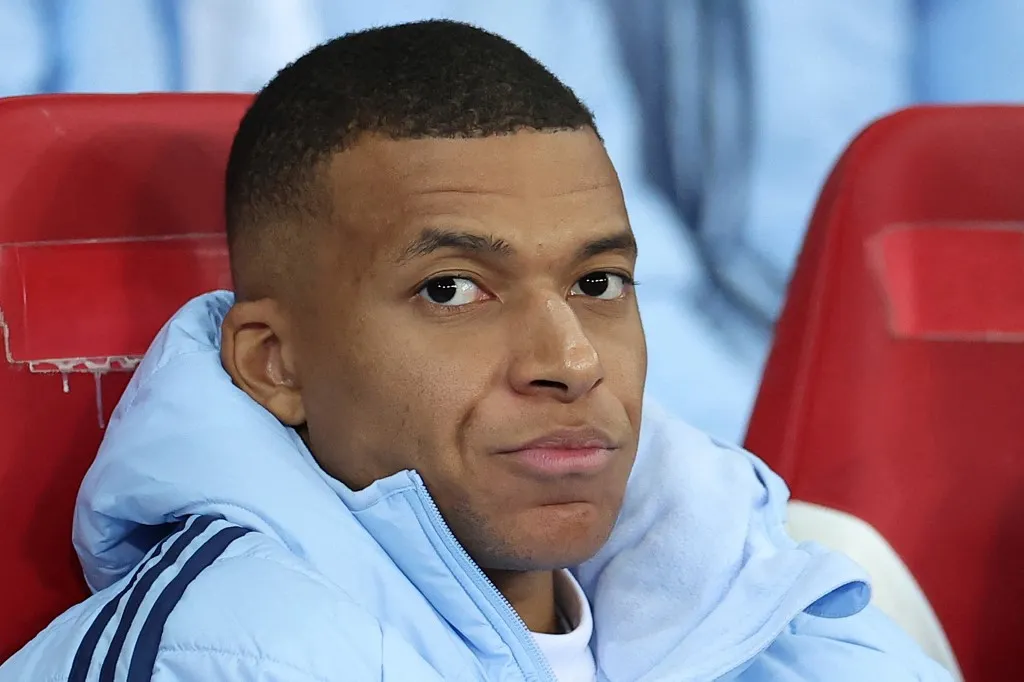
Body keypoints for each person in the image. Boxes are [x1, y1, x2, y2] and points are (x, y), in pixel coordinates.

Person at [0, 20, 951, 682]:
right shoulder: (220, 655)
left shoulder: (778, 599)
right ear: (274, 364)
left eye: (598, 283)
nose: (571, 361)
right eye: (452, 290)